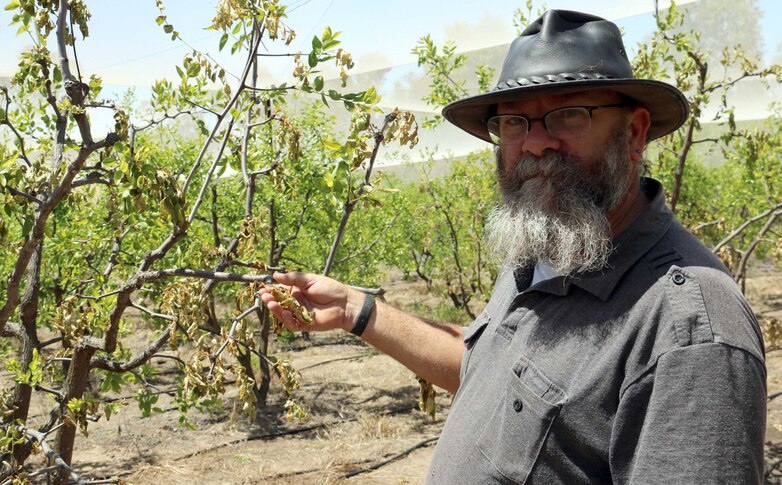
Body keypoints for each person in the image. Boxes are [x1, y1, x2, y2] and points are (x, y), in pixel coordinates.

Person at [260, 9, 766, 484]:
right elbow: (487, 369)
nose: (535, 142)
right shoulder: (547, 244)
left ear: (634, 133)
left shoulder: (689, 330)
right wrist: (356, 309)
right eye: (514, 122)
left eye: (568, 115)